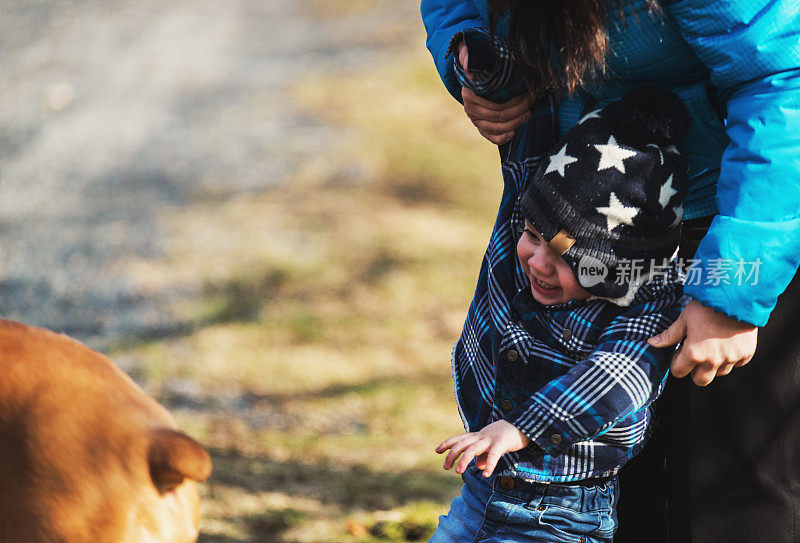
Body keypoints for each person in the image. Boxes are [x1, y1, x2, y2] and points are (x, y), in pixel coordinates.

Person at [421, 1, 800, 542]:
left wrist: (731, 295)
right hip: (569, 198)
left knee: (730, 487)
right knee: (622, 483)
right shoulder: (543, 248)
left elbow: (785, 80)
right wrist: (471, 47)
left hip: (729, 215)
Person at [430, 84, 691, 542]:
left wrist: (522, 427)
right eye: (532, 235)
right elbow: (526, 137)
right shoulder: (531, 213)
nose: (537, 262)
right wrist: (495, 71)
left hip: (560, 515)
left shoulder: (647, 302)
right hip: (480, 493)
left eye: (567, 259)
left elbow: (617, 376)